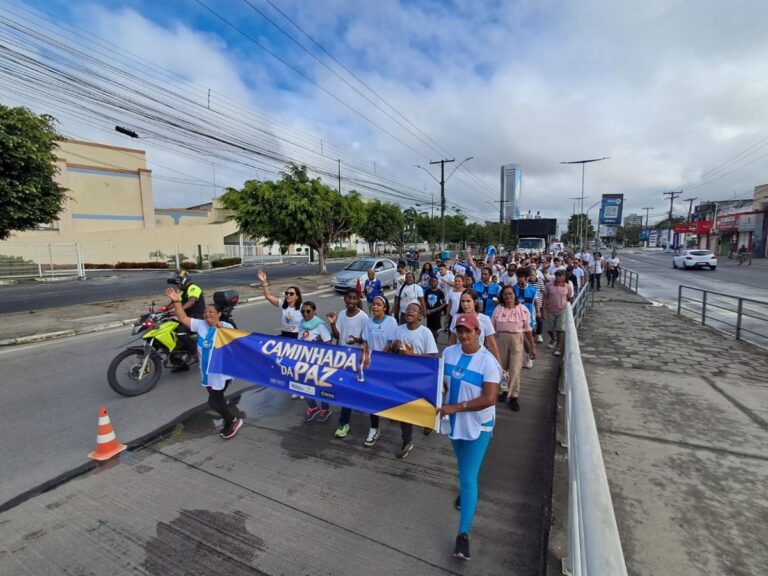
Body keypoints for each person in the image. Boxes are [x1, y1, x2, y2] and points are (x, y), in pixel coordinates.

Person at [438, 313, 502, 561]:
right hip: (454, 424)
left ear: (478, 332)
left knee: (468, 477)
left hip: (478, 425)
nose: (464, 335)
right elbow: (442, 383)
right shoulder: (449, 354)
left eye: (469, 331)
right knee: (462, 466)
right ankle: (466, 494)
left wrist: (456, 407)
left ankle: (463, 535)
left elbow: (489, 398)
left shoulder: (488, 362)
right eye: (460, 330)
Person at [165, 286, 242, 439]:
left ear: (219, 314)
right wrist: (176, 301)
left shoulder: (226, 327)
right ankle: (228, 418)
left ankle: (233, 421)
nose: (207, 314)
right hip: (207, 371)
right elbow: (183, 318)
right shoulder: (200, 325)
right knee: (216, 399)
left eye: (211, 312)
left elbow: (235, 340)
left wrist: (221, 327)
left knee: (214, 402)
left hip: (221, 373)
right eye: (205, 312)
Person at [389, 304, 439, 458]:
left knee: (423, 404)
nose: (410, 311)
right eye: (409, 309)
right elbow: (393, 352)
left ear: (420, 317)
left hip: (421, 376)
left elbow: (432, 357)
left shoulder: (425, 333)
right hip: (403, 375)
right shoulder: (399, 329)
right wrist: (394, 346)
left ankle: (428, 423)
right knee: (405, 409)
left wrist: (412, 355)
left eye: (415, 310)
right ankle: (407, 441)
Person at [360, 295, 401, 448]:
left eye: (378, 305)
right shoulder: (368, 322)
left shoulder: (391, 322)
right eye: (374, 305)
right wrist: (364, 355)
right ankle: (374, 428)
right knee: (372, 397)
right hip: (370, 365)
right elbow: (364, 341)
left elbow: (389, 345)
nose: (375, 307)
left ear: (385, 308)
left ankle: (392, 412)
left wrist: (378, 359)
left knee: (386, 394)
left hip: (385, 365)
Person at [258, 269, 304, 397]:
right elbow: (268, 297)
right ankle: (295, 388)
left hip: (297, 338)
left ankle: (302, 388)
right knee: (287, 365)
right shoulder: (283, 304)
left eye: (291, 293)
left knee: (297, 365)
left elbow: (311, 319)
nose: (288, 295)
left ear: (297, 296)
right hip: (285, 337)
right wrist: (264, 282)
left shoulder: (302, 308)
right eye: (286, 293)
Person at [329, 291, 369, 439]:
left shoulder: (364, 317)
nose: (351, 301)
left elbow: (366, 339)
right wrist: (333, 324)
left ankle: (344, 422)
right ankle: (346, 418)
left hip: (356, 359)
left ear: (358, 300)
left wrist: (357, 340)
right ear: (345, 300)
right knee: (346, 389)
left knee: (350, 389)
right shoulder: (341, 314)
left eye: (354, 298)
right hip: (342, 358)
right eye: (349, 298)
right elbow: (338, 336)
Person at [492, 286, 534, 410]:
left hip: (517, 339)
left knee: (515, 368)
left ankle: (514, 396)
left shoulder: (522, 309)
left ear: (514, 295)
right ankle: (503, 391)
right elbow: (492, 326)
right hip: (501, 339)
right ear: (502, 296)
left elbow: (528, 329)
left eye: (510, 294)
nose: (508, 296)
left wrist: (532, 345)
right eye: (505, 294)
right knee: (501, 367)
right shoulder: (498, 308)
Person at [297, 301, 334, 423]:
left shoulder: (319, 325)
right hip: (305, 361)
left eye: (308, 311)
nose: (305, 313)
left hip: (319, 362)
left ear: (314, 311)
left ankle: (325, 409)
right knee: (305, 386)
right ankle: (313, 406)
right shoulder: (302, 324)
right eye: (303, 311)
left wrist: (317, 346)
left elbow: (328, 342)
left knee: (320, 386)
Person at [448, 289, 502, 365]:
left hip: (478, 358)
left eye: (468, 301)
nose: (465, 304)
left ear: (475, 302)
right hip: (459, 356)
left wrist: (499, 365)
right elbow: (452, 341)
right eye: (462, 301)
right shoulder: (456, 317)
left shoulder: (485, 319)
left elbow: (491, 344)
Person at [512, 270, 539, 369]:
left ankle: (528, 357)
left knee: (526, 339)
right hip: (514, 318)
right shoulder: (513, 289)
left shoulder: (533, 290)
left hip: (528, 319)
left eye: (522, 279)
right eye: (519, 278)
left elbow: (535, 302)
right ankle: (518, 359)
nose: (520, 281)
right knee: (517, 339)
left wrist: (538, 312)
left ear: (526, 279)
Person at [543, 270, 574, 357]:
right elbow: (545, 297)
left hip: (562, 310)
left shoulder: (567, 287)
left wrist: (568, 308)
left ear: (564, 277)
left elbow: (570, 298)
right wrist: (544, 310)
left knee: (560, 329)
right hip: (551, 310)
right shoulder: (549, 285)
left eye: (560, 276)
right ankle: (553, 339)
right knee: (549, 328)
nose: (558, 277)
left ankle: (558, 347)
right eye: (557, 276)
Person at [423, 276, 448, 342]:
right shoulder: (427, 291)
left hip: (437, 313)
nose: (433, 283)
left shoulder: (440, 292)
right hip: (429, 312)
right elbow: (424, 301)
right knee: (429, 325)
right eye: (431, 281)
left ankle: (435, 338)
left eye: (434, 281)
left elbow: (444, 303)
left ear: (437, 283)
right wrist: (425, 309)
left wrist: (438, 308)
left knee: (436, 326)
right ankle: (430, 339)